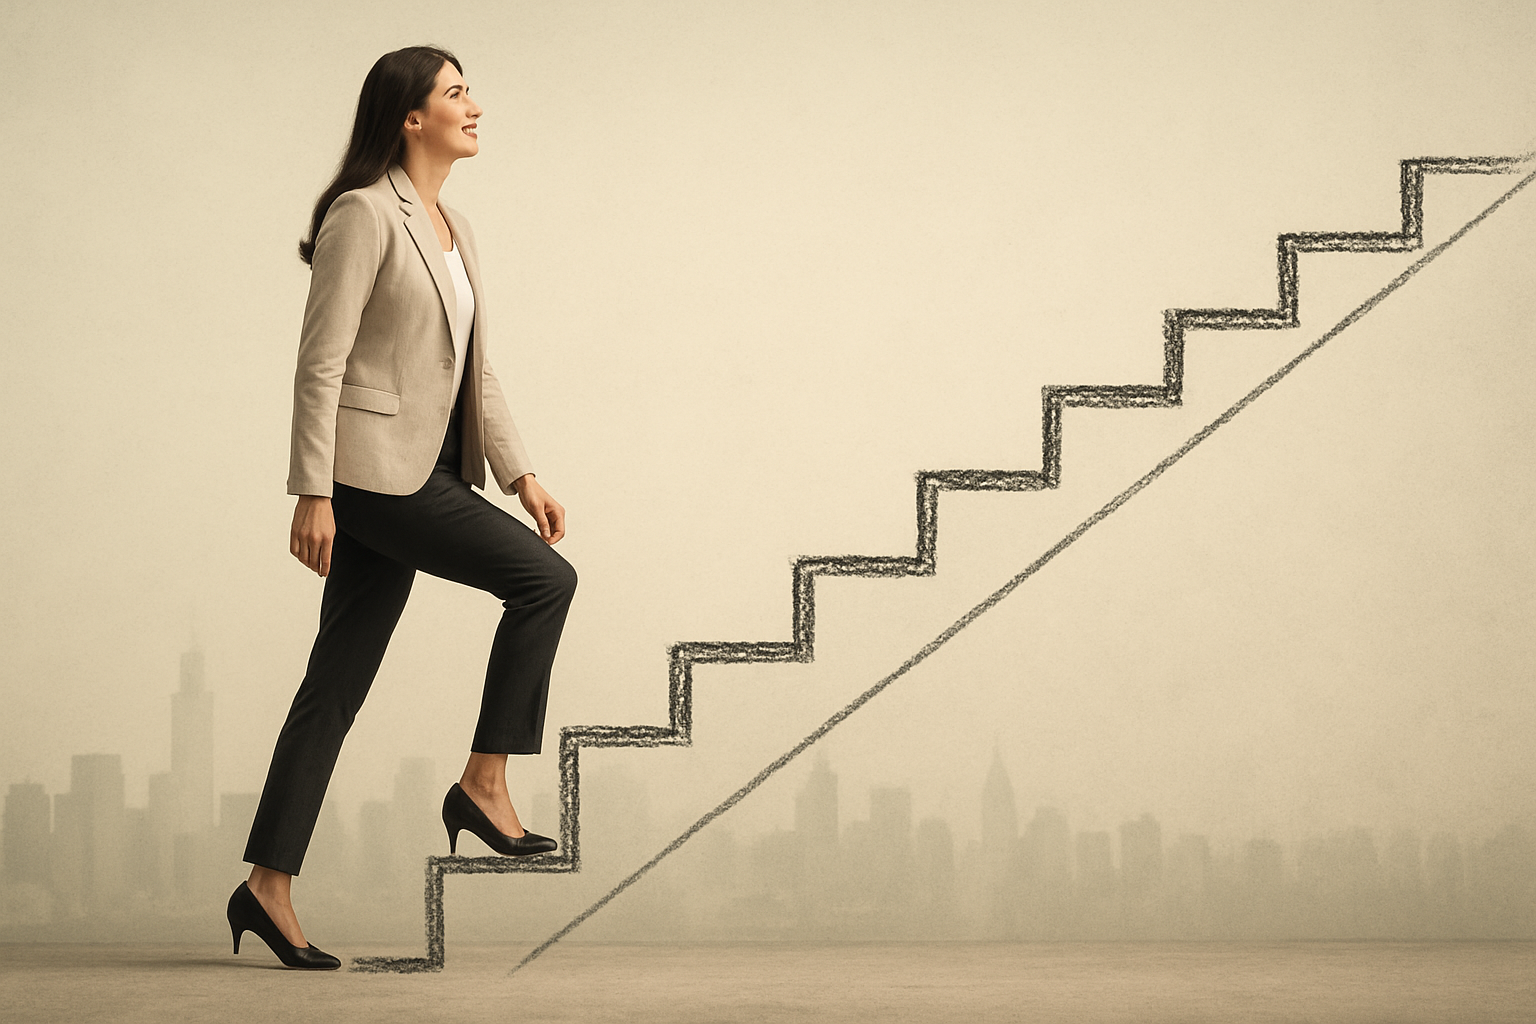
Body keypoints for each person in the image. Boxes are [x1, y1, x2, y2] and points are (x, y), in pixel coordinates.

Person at [227, 45, 578, 970]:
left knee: (331, 689)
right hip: (375, 478)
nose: (475, 106)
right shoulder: (362, 213)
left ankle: (266, 886)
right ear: (410, 117)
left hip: (429, 470)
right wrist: (311, 490)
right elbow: (321, 360)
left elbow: (476, 369)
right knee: (545, 581)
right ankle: (484, 783)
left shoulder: (453, 226)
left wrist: (522, 472)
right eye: (457, 92)